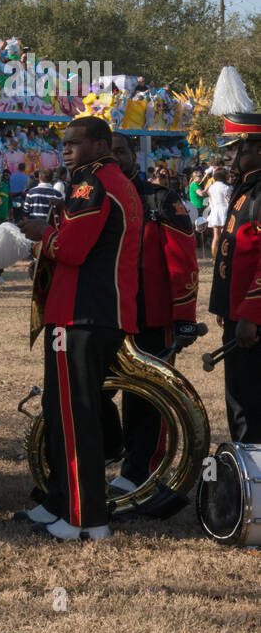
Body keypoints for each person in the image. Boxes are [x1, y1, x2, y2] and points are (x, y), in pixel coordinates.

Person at [18, 116, 141, 540]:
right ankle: (67, 505)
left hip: (82, 314)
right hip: (94, 312)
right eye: (64, 143)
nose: (66, 149)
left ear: (100, 144)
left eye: (75, 143)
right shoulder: (109, 180)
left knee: (74, 421)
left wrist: (39, 236)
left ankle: (85, 519)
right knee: (68, 415)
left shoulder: (92, 184)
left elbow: (70, 248)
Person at [109, 133, 200, 495]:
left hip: (151, 318)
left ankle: (140, 473)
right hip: (104, 315)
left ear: (134, 154)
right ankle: (110, 450)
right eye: (109, 151)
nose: (115, 158)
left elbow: (182, 261)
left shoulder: (160, 198)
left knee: (146, 399)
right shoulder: (95, 196)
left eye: (121, 151)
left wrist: (184, 316)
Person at [207, 115, 261, 443]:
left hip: (251, 319)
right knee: (240, 401)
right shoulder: (246, 189)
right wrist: (226, 305)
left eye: (237, 148)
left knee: (250, 407)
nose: (231, 156)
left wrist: (249, 316)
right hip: (238, 313)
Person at [207, 166, 233, 254]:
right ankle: (223, 256)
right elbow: (230, 201)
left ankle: (214, 258)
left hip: (214, 211)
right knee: (224, 236)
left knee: (216, 237)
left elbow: (210, 201)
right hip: (224, 212)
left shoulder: (211, 187)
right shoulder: (227, 188)